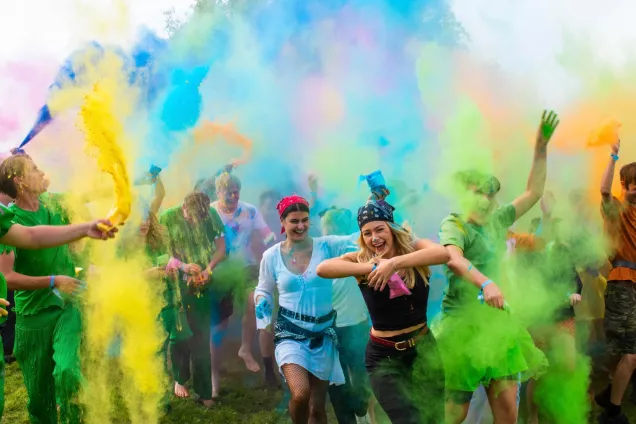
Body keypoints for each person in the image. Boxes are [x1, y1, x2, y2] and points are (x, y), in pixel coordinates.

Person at [437, 110, 558, 424]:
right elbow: (454, 258)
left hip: (498, 325)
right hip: (462, 326)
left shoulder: (498, 219)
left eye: (492, 193)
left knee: (507, 411)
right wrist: (486, 282)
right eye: (480, 191)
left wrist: (541, 146)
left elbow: (534, 192)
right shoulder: (454, 225)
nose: (487, 199)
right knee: (454, 412)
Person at [0, 153, 118, 423]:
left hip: (67, 306)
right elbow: (7, 276)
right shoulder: (9, 220)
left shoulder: (54, 203)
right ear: (19, 180)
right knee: (40, 402)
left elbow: (86, 194)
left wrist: (126, 180)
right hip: (32, 317)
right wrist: (53, 281)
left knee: (68, 372)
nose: (42, 172)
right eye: (34, 169)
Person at [317, 199, 450, 423]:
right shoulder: (361, 259)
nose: (374, 238)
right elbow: (323, 268)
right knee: (409, 419)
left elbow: (443, 254)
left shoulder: (414, 250)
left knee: (435, 418)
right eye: (367, 233)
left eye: (380, 229)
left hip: (424, 349)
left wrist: (394, 263)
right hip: (384, 357)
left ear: (392, 229)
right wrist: (374, 267)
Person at [254, 195, 356, 424]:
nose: (300, 226)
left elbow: (356, 239)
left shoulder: (326, 246)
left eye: (304, 220)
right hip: (290, 334)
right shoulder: (271, 256)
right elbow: (263, 288)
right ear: (282, 222)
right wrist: (262, 303)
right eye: (294, 221)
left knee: (318, 409)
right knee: (301, 394)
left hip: (323, 336)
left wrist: (381, 216)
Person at [160, 191, 226, 408]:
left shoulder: (212, 215)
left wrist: (208, 269)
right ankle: (180, 378)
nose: (197, 221)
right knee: (179, 335)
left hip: (201, 284)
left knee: (201, 336)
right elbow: (160, 253)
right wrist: (182, 266)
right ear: (184, 208)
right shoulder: (168, 217)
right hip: (174, 284)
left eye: (201, 218)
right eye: (192, 217)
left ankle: (204, 391)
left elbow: (221, 249)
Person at [211, 172, 277, 385]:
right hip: (221, 270)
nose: (233, 195)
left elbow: (265, 231)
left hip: (247, 267)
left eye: (236, 191)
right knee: (221, 321)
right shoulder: (211, 211)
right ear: (218, 192)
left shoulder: (250, 210)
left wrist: (272, 239)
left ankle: (245, 349)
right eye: (228, 192)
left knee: (254, 303)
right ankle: (215, 367)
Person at [318, 207, 374, 424]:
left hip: (357, 325)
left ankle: (362, 413)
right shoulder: (318, 253)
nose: (324, 236)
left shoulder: (355, 246)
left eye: (327, 230)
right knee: (337, 383)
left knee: (360, 376)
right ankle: (349, 419)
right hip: (328, 330)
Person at [595, 138, 636, 424]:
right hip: (622, 284)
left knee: (631, 355)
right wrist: (613, 156)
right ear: (627, 185)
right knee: (630, 354)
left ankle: (611, 395)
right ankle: (612, 410)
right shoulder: (617, 210)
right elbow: (604, 190)